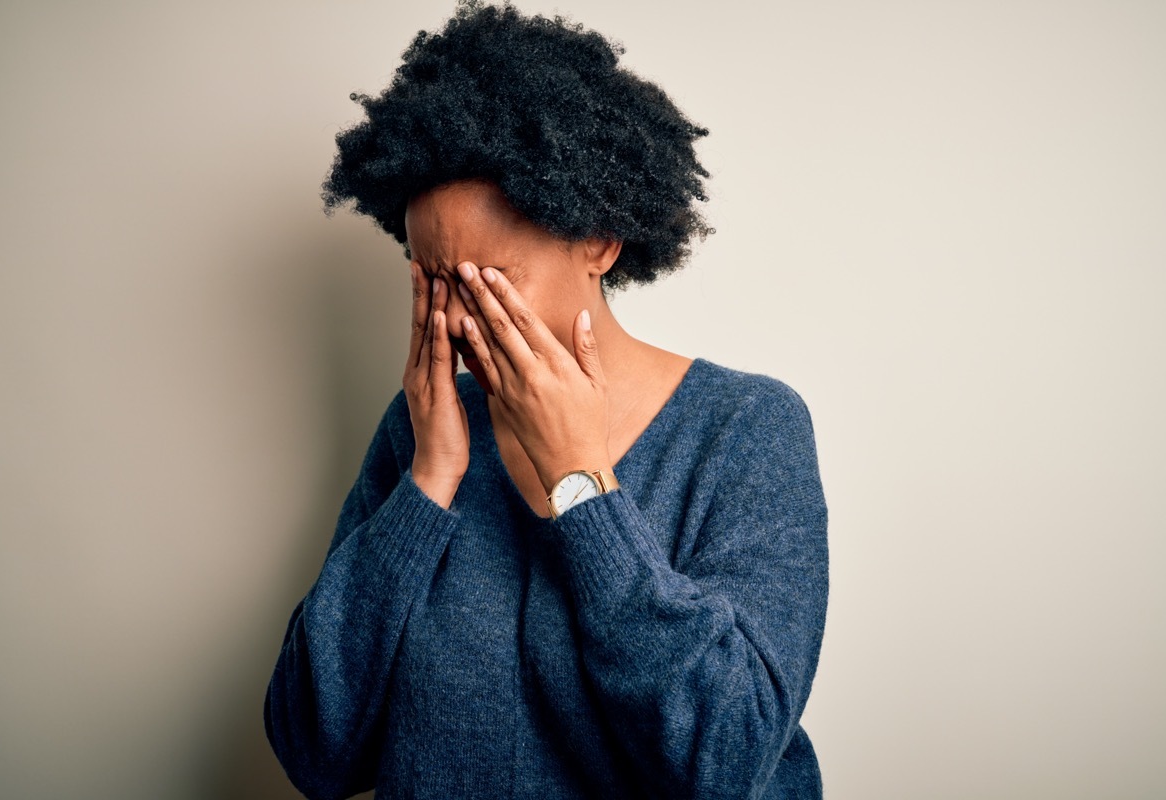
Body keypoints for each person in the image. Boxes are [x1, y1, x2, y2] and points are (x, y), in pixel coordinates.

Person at [264, 3, 829, 798]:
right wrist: (428, 485)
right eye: (433, 280)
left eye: (488, 282)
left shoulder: (745, 431)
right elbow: (313, 752)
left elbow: (724, 759)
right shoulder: (422, 431)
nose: (457, 319)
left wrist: (582, 483)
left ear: (598, 242)